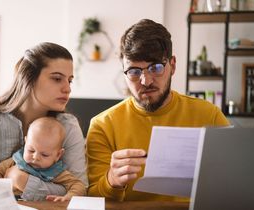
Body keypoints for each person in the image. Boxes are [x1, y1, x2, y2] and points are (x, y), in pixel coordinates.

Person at [86, 19, 230, 201]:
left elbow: (233, 181)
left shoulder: (209, 115)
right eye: (134, 71)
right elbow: (92, 200)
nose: (146, 81)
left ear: (173, 66)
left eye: (156, 67)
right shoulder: (102, 126)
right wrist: (111, 180)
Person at [0, 42, 88, 208]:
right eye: (57, 79)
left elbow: (80, 188)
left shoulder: (68, 126)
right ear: (29, 78)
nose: (67, 89)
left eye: (69, 81)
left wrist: (24, 182)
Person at [0, 117, 86, 201]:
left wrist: (69, 196)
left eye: (44, 155)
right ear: (26, 142)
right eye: (31, 150)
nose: (35, 157)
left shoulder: (56, 172)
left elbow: (78, 185)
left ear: (58, 155)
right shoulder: (17, 160)